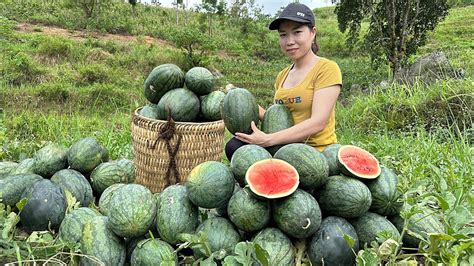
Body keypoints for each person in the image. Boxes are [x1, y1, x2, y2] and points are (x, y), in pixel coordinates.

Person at [225, 2, 342, 161]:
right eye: (283, 35)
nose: (289, 41)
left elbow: (318, 122)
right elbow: (278, 119)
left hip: (314, 153)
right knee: (234, 146)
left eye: (297, 32)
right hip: (283, 146)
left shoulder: (326, 68)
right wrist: (244, 103)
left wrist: (268, 139)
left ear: (312, 32)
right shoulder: (282, 75)